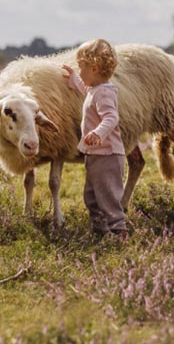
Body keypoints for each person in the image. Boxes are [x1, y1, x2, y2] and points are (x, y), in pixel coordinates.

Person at [62, 39, 128, 241]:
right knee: (91, 197)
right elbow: (87, 92)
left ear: (94, 68)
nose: (79, 71)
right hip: (96, 154)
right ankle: (100, 232)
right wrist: (75, 80)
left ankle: (119, 233)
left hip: (108, 155)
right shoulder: (96, 89)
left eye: (81, 67)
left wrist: (99, 133)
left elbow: (111, 117)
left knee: (108, 197)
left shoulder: (105, 92)